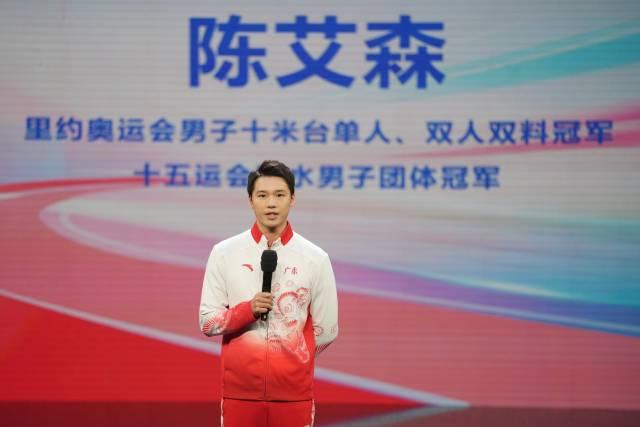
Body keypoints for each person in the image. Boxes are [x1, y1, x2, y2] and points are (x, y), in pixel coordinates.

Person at [199, 160, 339, 427]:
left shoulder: (315, 258)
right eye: (262, 196)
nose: (271, 203)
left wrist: (290, 360)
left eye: (279, 195)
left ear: (292, 199)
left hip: (294, 398)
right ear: (250, 201)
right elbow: (207, 322)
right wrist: (246, 311)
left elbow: (327, 329)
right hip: (239, 396)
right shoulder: (224, 253)